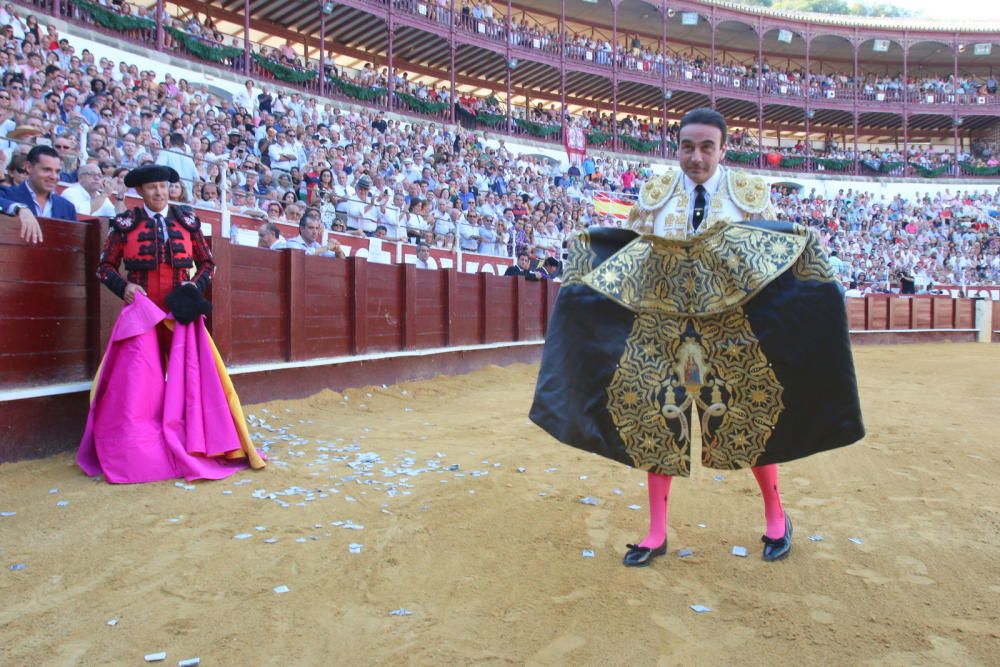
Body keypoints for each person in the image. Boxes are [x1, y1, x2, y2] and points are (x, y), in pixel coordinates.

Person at [531, 107, 864, 569]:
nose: (696, 157)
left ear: (723, 150)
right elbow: (632, 259)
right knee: (658, 418)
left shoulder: (748, 197)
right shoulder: (655, 197)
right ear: (678, 148)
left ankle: (775, 517)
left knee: (751, 417)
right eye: (688, 146)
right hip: (668, 332)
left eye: (707, 146)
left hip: (733, 333)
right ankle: (656, 531)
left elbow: (771, 262)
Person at [80, 163, 264, 484]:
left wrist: (196, 286)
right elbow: (104, 267)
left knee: (193, 381)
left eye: (164, 186)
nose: (159, 192)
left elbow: (209, 263)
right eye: (152, 187)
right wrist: (124, 288)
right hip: (143, 315)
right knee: (139, 384)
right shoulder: (125, 223)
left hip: (181, 312)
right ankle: (138, 452)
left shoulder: (187, 220)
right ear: (140, 192)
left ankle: (198, 443)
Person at [2, 145, 77, 221]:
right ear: (29, 167)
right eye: (47, 170)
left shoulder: (67, 207)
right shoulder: (6, 194)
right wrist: (18, 208)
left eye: (57, 171)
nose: (54, 177)